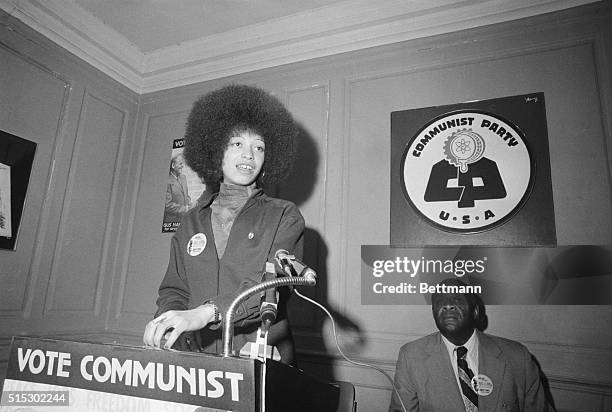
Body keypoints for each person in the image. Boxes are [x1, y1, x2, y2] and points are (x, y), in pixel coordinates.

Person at [143, 84, 304, 365]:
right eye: (237, 143)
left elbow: (270, 286)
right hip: (197, 358)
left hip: (262, 359)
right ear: (216, 151)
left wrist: (205, 313)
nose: (249, 155)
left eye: (259, 147)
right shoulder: (191, 221)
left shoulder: (284, 215)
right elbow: (174, 290)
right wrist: (168, 322)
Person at [389, 278, 550, 412]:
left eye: (457, 299)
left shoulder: (517, 357)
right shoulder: (411, 357)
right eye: (440, 301)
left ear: (476, 311)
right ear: (433, 313)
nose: (447, 305)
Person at [163, 152, 193, 222]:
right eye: (180, 164)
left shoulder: (183, 177)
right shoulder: (167, 181)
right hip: (172, 220)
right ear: (173, 165)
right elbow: (167, 205)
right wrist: (185, 209)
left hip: (184, 219)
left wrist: (190, 204)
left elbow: (186, 195)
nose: (182, 166)